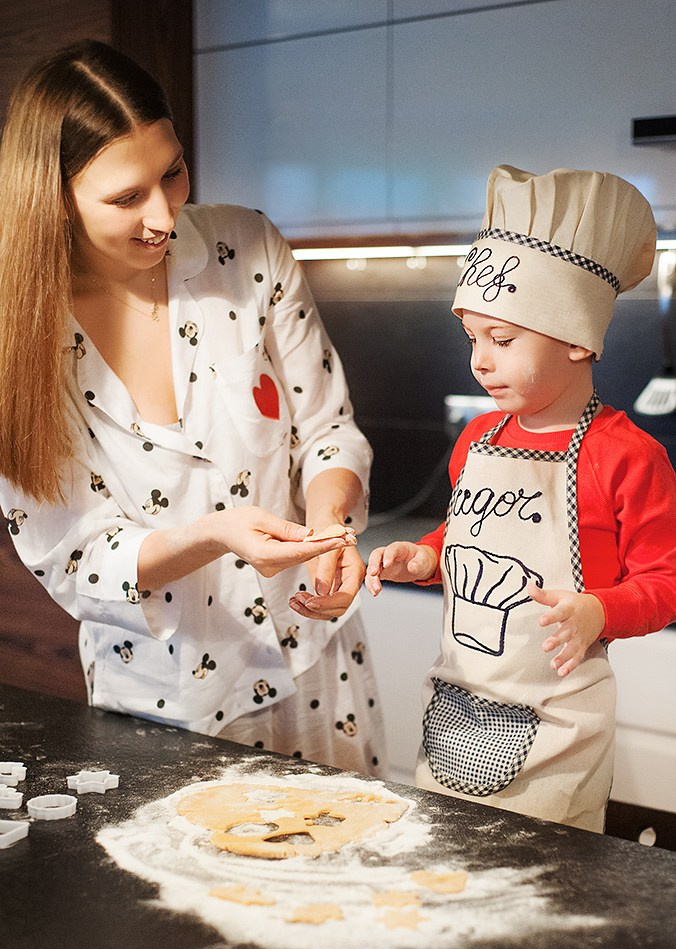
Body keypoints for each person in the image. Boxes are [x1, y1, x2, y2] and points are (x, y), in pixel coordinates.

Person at [0, 40, 385, 775]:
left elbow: (329, 431)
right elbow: (75, 557)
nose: (163, 216)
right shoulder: (19, 337)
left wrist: (332, 525)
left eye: (172, 172)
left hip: (315, 668)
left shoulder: (248, 250)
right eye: (124, 197)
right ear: (52, 197)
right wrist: (215, 535)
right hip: (167, 699)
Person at [366, 164, 676, 831]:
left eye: (502, 341)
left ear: (577, 341)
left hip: (562, 730)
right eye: (472, 339)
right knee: (449, 874)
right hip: (454, 708)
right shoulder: (476, 439)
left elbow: (667, 580)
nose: (480, 360)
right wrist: (425, 558)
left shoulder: (626, 456)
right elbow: (473, 538)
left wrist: (601, 611)